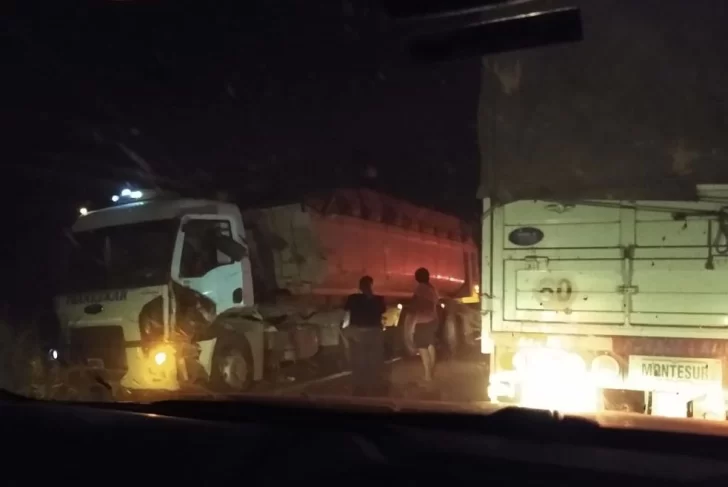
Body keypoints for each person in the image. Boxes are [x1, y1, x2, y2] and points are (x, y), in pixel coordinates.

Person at [342, 276, 387, 397]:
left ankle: (359, 388)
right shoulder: (379, 299)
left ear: (360, 286)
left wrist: (345, 330)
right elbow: (382, 313)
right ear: (371, 285)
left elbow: (347, 315)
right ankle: (374, 387)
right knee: (374, 360)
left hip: (357, 332)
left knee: (358, 360)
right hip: (374, 332)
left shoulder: (352, 298)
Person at [410, 267, 439, 383]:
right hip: (433, 319)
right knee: (430, 345)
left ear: (417, 278)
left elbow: (414, 305)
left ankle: (428, 375)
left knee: (422, 348)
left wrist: (411, 323)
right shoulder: (432, 288)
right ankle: (431, 372)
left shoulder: (419, 289)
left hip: (422, 320)